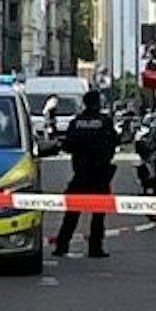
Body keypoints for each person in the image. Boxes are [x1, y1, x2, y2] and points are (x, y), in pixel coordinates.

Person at [55, 90, 118, 259]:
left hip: (81, 173)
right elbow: (113, 143)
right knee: (98, 214)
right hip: (100, 174)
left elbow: (67, 146)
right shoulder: (105, 122)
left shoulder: (76, 123)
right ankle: (95, 247)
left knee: (72, 212)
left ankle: (62, 245)